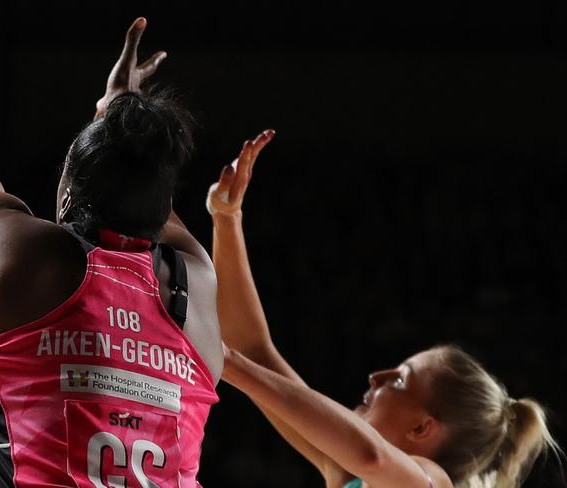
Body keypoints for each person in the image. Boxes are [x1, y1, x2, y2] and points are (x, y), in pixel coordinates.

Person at [0, 2, 222, 487]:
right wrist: (120, 120)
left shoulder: (17, 256)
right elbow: (148, 201)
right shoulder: (196, 285)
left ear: (65, 194)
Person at [206, 130, 562, 488]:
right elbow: (252, 346)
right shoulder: (347, 471)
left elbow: (372, 456)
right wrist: (227, 218)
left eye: (401, 378)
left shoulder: (433, 481)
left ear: (422, 427)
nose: (377, 376)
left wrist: (228, 364)